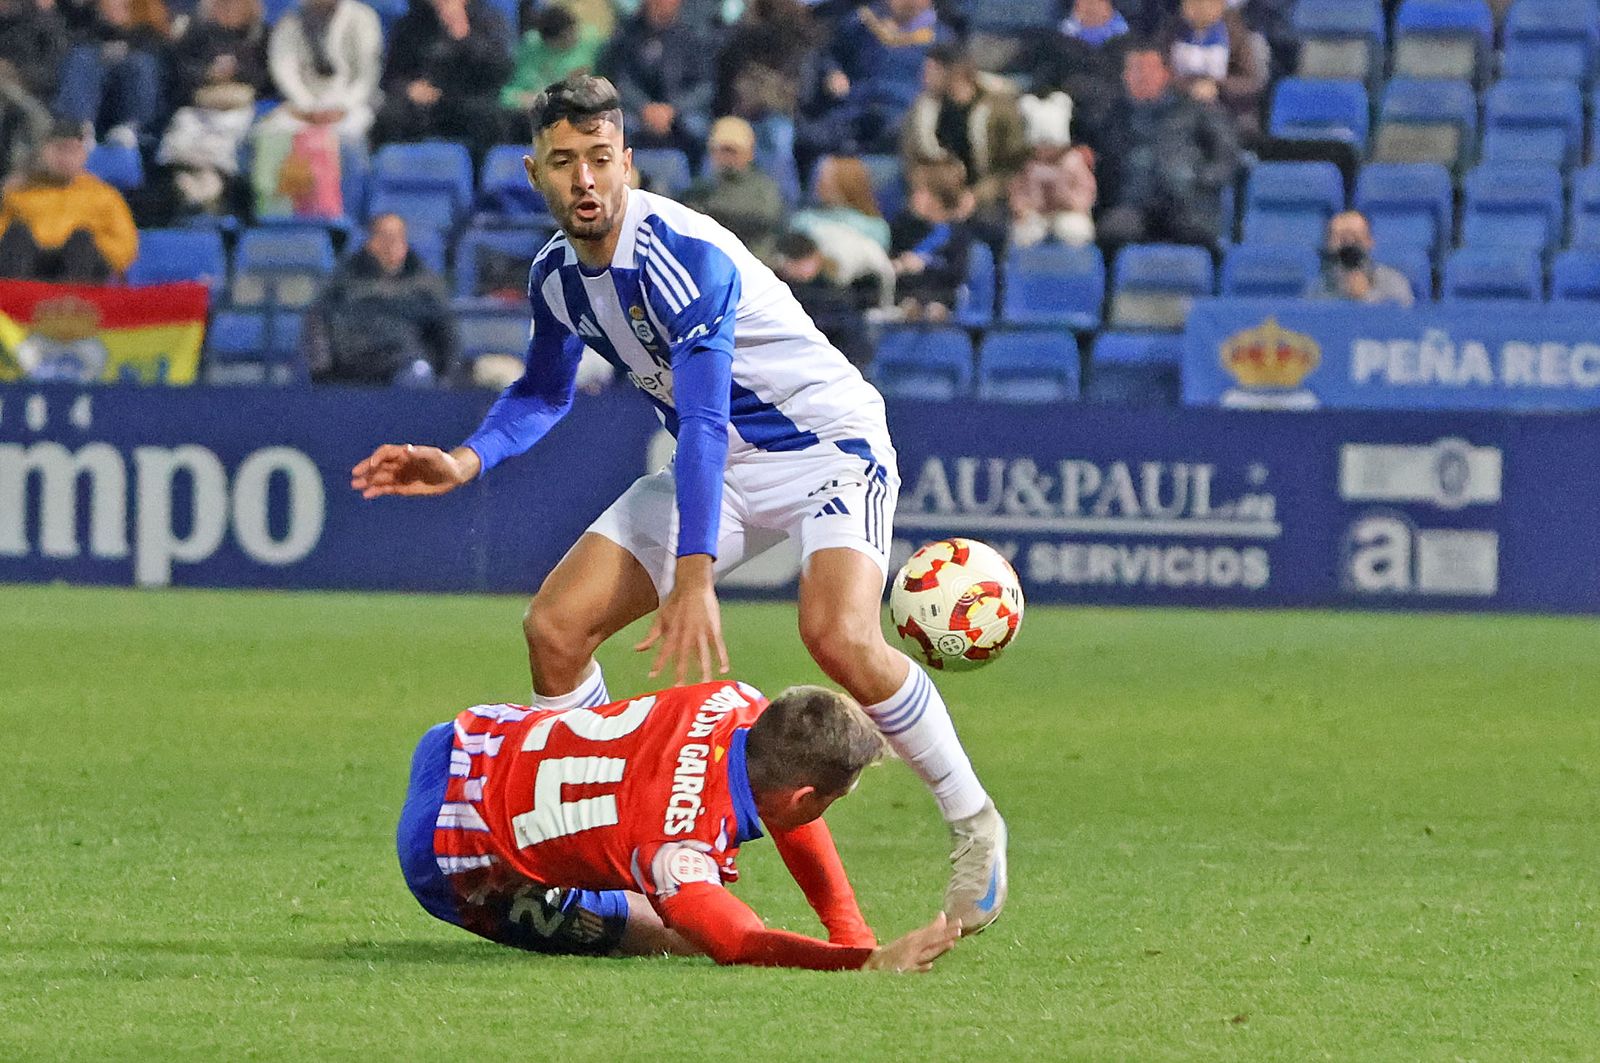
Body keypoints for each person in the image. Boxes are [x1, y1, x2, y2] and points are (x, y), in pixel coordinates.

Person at [351, 74, 1009, 933]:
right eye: (564, 161)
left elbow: (701, 419)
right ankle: (606, 839)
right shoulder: (557, 275)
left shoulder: (679, 256)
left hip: (824, 448)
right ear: (536, 172)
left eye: (599, 158)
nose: (585, 178)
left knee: (838, 634)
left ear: (626, 162)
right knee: (555, 629)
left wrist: (693, 574)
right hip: (723, 465)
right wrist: (464, 459)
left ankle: (974, 821)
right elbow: (544, 391)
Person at [399, 678, 962, 970]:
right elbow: (738, 942)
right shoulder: (678, 853)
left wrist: (849, 929)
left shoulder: (734, 700)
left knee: (649, 869)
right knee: (679, 936)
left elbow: (788, 805)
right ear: (805, 797)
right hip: (448, 851)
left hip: (466, 737)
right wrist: (863, 960)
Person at [1097, 44, 1237, 251]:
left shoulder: (1194, 109)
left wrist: (1201, 178)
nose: (1142, 76)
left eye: (1149, 70)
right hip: (1132, 204)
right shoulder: (1111, 116)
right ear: (1125, 76)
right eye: (1135, 70)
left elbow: (1227, 154)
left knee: (1198, 233)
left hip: (1186, 202)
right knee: (1113, 231)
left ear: (1165, 74)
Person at [303, 213, 459, 385]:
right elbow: (318, 321)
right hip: (351, 370)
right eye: (385, 238)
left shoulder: (425, 284)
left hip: (404, 367)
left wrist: (445, 378)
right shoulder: (343, 281)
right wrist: (323, 373)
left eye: (398, 239)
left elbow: (446, 335)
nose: (392, 246)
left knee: (417, 375)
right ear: (371, 242)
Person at [0, 117, 136, 281]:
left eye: (73, 151)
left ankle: (71, 293)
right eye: (59, 150)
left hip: (80, 269)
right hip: (30, 266)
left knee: (82, 240)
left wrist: (98, 248)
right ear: (42, 153)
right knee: (17, 234)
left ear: (84, 155)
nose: (66, 158)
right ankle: (14, 293)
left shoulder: (104, 195)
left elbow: (126, 244)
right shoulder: (19, 193)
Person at [374, 0, 512, 158]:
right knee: (390, 117)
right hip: (423, 106)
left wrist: (462, 33)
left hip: (469, 99)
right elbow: (391, 77)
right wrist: (409, 88)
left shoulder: (488, 20)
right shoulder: (410, 24)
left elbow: (499, 71)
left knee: (490, 120)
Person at [899, 43, 1026, 212]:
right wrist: (924, 189)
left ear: (955, 71)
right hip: (936, 194)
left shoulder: (1000, 109)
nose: (924, 77)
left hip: (992, 199)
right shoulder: (923, 109)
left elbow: (1013, 166)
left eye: (932, 70)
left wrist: (977, 196)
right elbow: (912, 158)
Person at [597, 0, 716, 162]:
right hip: (635, 109)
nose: (661, 4)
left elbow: (705, 87)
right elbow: (621, 80)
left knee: (698, 128)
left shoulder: (694, 37)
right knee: (615, 127)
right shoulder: (627, 34)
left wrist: (672, 109)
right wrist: (644, 108)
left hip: (682, 110)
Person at [256, 0, 382, 150]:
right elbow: (284, 70)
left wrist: (343, 106)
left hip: (352, 103)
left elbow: (367, 76)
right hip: (304, 106)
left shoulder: (362, 17)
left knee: (348, 134)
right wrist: (306, 105)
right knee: (272, 132)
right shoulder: (290, 20)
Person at [53, 0, 167, 144]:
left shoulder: (148, 25)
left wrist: (128, 45)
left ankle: (130, 133)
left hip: (131, 80)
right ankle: (78, 133)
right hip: (92, 61)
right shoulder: (81, 17)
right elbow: (71, 38)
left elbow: (160, 51)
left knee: (142, 64)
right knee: (81, 59)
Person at [1026, 0, 1130, 157]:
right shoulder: (1054, 42)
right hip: (1069, 129)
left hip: (1116, 128)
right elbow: (1042, 83)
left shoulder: (1131, 43)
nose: (1091, 5)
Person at [1155, 0, 1265, 140]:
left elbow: (1251, 83)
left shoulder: (1236, 33)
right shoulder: (1172, 30)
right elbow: (1160, 73)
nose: (1197, 9)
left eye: (1205, 4)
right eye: (1190, 3)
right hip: (1179, 109)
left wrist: (1216, 85)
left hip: (1227, 112)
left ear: (1220, 6)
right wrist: (1190, 87)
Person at [682, 116, 785, 259]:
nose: (727, 157)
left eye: (733, 151)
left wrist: (714, 213)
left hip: (752, 258)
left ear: (749, 153)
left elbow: (763, 221)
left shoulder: (764, 188)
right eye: (722, 151)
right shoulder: (701, 188)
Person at [888, 157, 976, 322]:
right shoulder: (903, 227)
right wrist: (900, 265)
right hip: (907, 294)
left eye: (919, 192)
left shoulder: (957, 234)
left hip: (942, 297)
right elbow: (892, 260)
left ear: (937, 197)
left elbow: (956, 272)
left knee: (935, 310)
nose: (912, 197)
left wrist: (924, 266)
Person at [772, 229, 871, 367]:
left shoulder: (833, 295)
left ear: (816, 257)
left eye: (804, 260)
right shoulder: (774, 291)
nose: (801, 267)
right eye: (795, 261)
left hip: (829, 365)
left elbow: (855, 347)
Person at [500, 5, 606, 119]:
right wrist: (525, 100)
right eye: (564, 37)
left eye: (573, 31)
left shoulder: (593, 42)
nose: (572, 37)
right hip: (538, 115)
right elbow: (507, 94)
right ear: (547, 40)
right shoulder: (531, 46)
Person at [1304, 210, 1414, 308]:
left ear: (1370, 241)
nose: (1349, 243)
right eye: (1339, 237)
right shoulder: (1317, 289)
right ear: (1328, 244)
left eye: (1356, 236)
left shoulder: (1394, 282)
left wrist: (1365, 296)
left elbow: (1403, 319)